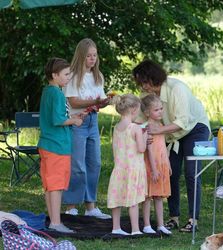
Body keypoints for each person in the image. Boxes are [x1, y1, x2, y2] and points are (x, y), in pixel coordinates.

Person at [133, 60, 210, 233]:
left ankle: (193, 219)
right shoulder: (147, 94)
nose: (142, 87)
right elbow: (139, 117)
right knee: (170, 173)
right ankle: (173, 218)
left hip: (194, 128)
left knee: (192, 172)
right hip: (171, 133)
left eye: (144, 82)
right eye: (140, 83)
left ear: (153, 78)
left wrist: (158, 130)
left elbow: (182, 121)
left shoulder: (177, 89)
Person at [62, 38, 111, 219]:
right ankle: (71, 206)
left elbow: (99, 103)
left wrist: (105, 102)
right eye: (88, 56)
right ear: (81, 56)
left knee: (94, 163)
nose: (92, 59)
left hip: (93, 122)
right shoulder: (73, 76)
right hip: (78, 122)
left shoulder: (98, 76)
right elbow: (73, 101)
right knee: (77, 165)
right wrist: (95, 101)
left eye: (94, 55)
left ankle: (90, 206)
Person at [38, 58, 83, 233]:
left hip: (49, 144)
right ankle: (56, 223)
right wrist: (75, 121)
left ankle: (53, 221)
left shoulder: (49, 91)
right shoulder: (56, 93)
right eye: (65, 74)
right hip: (56, 146)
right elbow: (58, 119)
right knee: (56, 186)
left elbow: (57, 115)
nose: (69, 77)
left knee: (51, 185)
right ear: (54, 75)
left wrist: (75, 117)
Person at [107, 94, 148, 235]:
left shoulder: (117, 127)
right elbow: (141, 148)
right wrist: (145, 135)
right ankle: (135, 229)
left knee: (116, 198)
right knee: (133, 200)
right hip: (133, 168)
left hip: (119, 168)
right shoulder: (135, 128)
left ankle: (116, 227)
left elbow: (116, 147)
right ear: (133, 110)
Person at [140, 94, 172, 235]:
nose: (160, 112)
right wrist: (153, 169)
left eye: (161, 109)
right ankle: (147, 224)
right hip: (151, 165)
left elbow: (163, 147)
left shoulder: (160, 126)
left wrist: (168, 163)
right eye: (156, 110)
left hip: (161, 164)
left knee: (159, 196)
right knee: (147, 196)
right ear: (147, 112)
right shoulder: (148, 127)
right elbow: (150, 149)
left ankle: (160, 224)